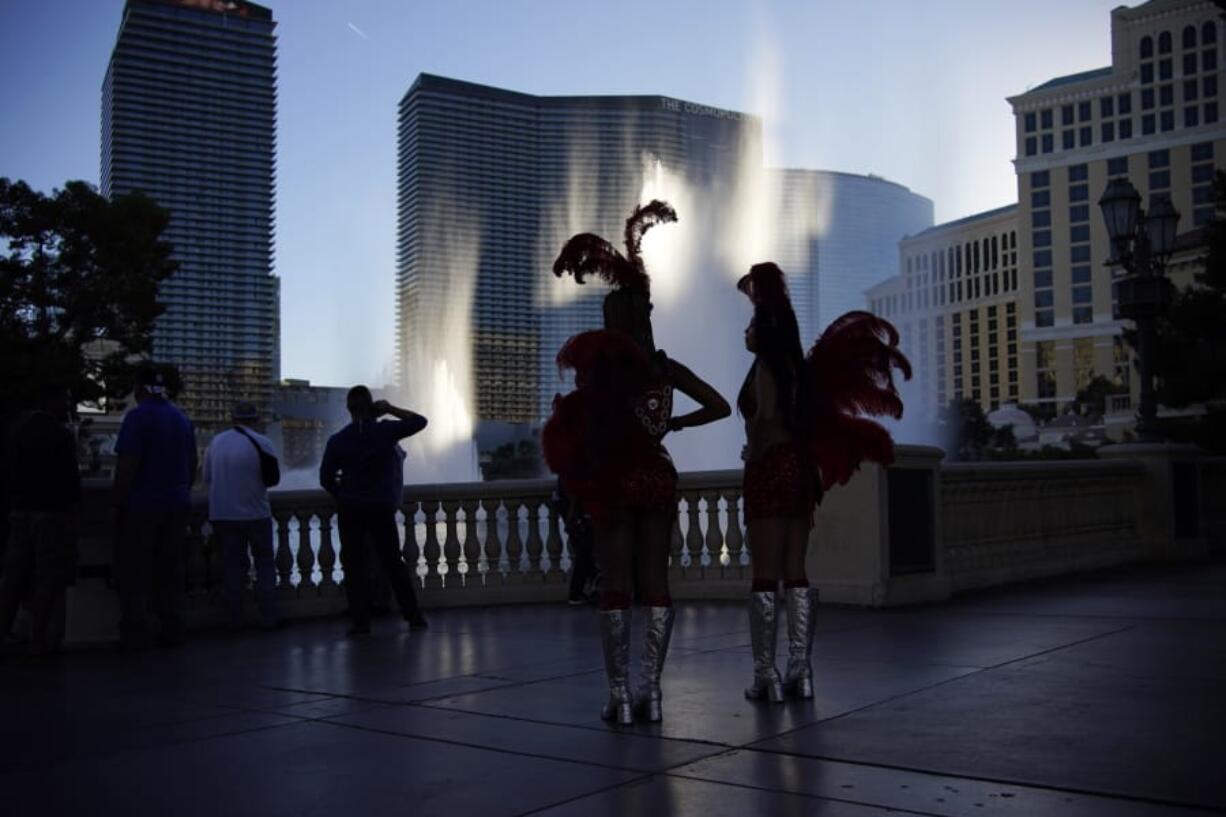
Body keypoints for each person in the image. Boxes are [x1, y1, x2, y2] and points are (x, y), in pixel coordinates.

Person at [544, 201, 730, 724]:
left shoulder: (601, 368)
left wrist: (578, 495)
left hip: (611, 480)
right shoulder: (664, 366)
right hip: (656, 475)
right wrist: (673, 426)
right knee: (658, 584)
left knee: (614, 583)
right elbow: (719, 405)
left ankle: (620, 696)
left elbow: (581, 434)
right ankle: (653, 689)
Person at [736, 263, 911, 702]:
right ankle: (802, 669)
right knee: (796, 571)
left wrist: (752, 453)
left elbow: (767, 419)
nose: (746, 332)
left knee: (764, 576)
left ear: (765, 329)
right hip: (800, 470)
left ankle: (766, 675)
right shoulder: (799, 369)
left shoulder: (766, 367)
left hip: (771, 468)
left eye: (752, 324)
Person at [319, 388, 427, 636]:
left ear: (348, 409)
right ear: (371, 407)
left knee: (354, 566)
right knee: (393, 563)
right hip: (380, 507)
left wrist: (342, 495)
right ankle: (413, 616)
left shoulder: (338, 440)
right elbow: (420, 421)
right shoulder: (384, 431)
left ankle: (361, 622)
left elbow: (325, 478)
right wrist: (390, 409)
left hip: (350, 509)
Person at [112, 367, 197, 648]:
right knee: (171, 569)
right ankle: (173, 628)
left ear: (141, 388)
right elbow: (192, 463)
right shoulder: (181, 418)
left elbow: (127, 464)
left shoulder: (137, 417)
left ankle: (136, 631)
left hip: (144, 505)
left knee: (136, 571)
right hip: (177, 503)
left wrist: (118, 502)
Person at [0, 385, 81, 656]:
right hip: (51, 513)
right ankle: (39, 637)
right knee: (47, 577)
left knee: (13, 576)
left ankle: (5, 630)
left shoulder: (17, 430)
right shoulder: (61, 436)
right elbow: (71, 482)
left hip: (20, 510)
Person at [202, 401, 279, 629]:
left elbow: (207, 478)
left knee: (232, 567)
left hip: (223, 514)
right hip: (256, 513)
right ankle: (268, 617)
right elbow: (274, 480)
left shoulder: (216, 442)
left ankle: (234, 619)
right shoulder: (264, 442)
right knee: (265, 564)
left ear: (232, 419)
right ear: (255, 420)